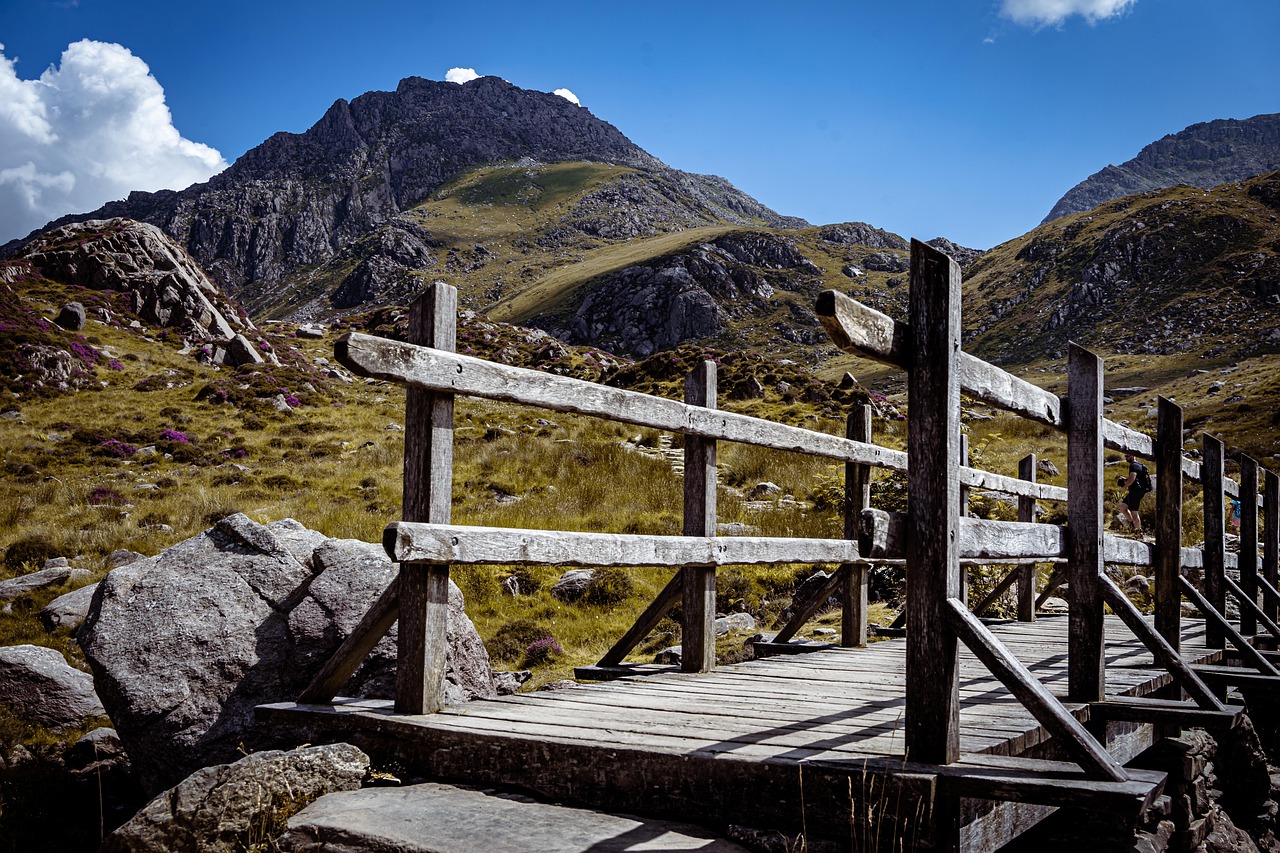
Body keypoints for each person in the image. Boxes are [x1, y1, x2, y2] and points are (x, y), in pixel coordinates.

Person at [1118, 453, 1152, 534]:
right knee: (1122, 506)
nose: (1126, 457)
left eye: (1128, 456)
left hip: (1136, 491)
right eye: (1125, 456)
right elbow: (1136, 478)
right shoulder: (1139, 465)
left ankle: (1138, 533)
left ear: (1133, 456)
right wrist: (1126, 479)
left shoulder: (1133, 465)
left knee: (1134, 512)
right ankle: (1132, 525)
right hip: (1137, 490)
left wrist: (1125, 486)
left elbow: (1133, 478)